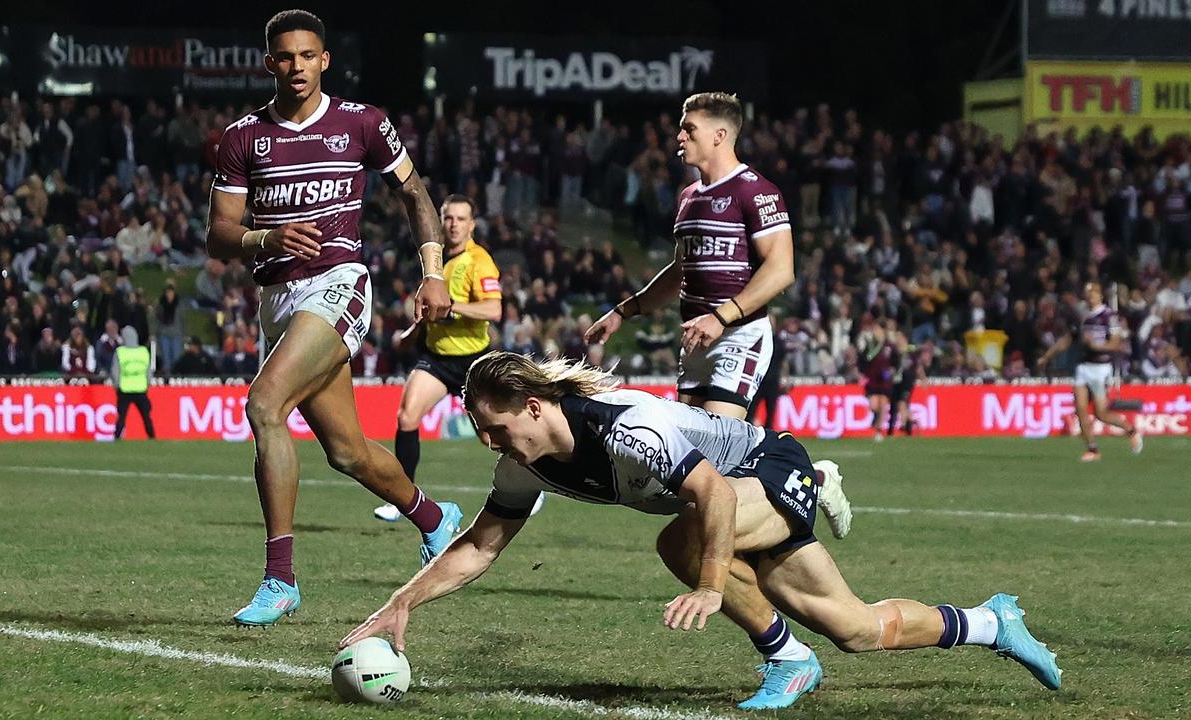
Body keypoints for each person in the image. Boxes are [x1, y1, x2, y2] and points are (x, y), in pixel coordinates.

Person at [341, 352, 1062, 711]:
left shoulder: (625, 427)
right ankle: (992, 622)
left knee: (680, 542)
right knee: (858, 630)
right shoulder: (529, 460)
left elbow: (710, 491)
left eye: (497, 428)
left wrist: (714, 585)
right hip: (739, 500)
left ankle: (785, 659)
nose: (493, 445)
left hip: (767, 469)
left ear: (531, 406)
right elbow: (478, 545)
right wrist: (404, 600)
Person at [205, 9, 461, 627]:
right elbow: (219, 235)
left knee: (265, 405)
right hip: (280, 301)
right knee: (347, 453)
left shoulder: (362, 124)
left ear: (325, 60)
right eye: (285, 57)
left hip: (338, 284)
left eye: (307, 56)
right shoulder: (243, 138)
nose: (296, 67)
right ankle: (434, 518)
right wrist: (267, 239)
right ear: (270, 63)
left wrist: (432, 271)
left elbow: (414, 194)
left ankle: (280, 578)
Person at [585, 92, 850, 538]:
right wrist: (624, 311)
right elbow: (680, 270)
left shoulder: (756, 191)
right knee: (683, 467)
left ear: (720, 135)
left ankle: (740, 562)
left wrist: (722, 317)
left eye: (689, 128)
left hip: (738, 336)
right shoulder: (688, 196)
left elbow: (781, 268)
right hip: (697, 342)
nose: (679, 136)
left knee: (714, 461)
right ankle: (814, 478)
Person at [373, 195, 504, 523]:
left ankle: (532, 486)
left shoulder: (480, 262)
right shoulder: (436, 263)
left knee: (490, 436)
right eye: (448, 218)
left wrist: (452, 305)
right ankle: (402, 499)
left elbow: (494, 309)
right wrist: (411, 333)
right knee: (406, 417)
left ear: (472, 224)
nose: (454, 225)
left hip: (473, 361)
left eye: (461, 219)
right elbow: (432, 311)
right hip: (437, 357)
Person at [1037, 282, 1142, 461]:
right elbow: (1068, 339)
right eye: (1087, 293)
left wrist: (1095, 346)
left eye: (1093, 292)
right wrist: (1047, 356)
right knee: (1080, 410)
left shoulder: (1109, 316)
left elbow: (1116, 343)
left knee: (1101, 413)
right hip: (1083, 367)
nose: (1090, 295)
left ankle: (1130, 430)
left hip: (1100, 369)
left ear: (1100, 295)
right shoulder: (1083, 317)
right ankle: (1093, 450)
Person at [111, 325, 156, 440]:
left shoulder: (120, 352)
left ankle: (117, 437)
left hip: (125, 389)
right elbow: (148, 370)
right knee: (146, 416)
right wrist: (147, 384)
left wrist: (117, 385)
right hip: (141, 389)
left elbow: (115, 371)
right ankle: (152, 437)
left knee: (122, 417)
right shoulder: (143, 351)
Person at [858, 320, 898, 442]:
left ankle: (879, 431)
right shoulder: (870, 346)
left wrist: (891, 371)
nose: (876, 332)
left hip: (885, 381)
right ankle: (875, 421)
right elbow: (864, 360)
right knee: (874, 405)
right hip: (872, 380)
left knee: (882, 405)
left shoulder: (890, 346)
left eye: (878, 330)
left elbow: (895, 361)